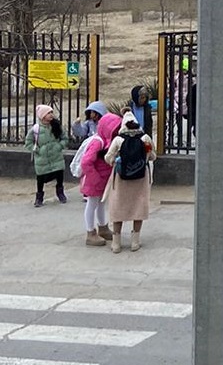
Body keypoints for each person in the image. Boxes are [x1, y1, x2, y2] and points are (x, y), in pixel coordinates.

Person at [104, 111, 155, 253]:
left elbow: (108, 157)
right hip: (140, 178)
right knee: (138, 207)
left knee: (118, 208)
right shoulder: (145, 138)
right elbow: (152, 156)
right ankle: (135, 242)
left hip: (121, 178)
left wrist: (116, 161)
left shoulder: (118, 140)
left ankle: (116, 243)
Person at [74, 111, 120, 247]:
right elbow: (86, 162)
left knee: (101, 203)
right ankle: (90, 232)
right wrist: (95, 179)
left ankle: (103, 227)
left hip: (101, 179)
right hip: (94, 180)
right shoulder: (98, 142)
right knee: (92, 204)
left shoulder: (106, 142)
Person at [25, 104, 70, 207]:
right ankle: (39, 197)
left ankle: (60, 193)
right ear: (42, 115)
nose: (51, 115)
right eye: (48, 113)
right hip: (42, 159)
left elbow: (65, 138)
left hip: (56, 157)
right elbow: (28, 143)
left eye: (51, 112)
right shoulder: (35, 129)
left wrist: (59, 146)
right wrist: (37, 150)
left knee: (59, 175)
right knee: (40, 178)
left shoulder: (56, 126)